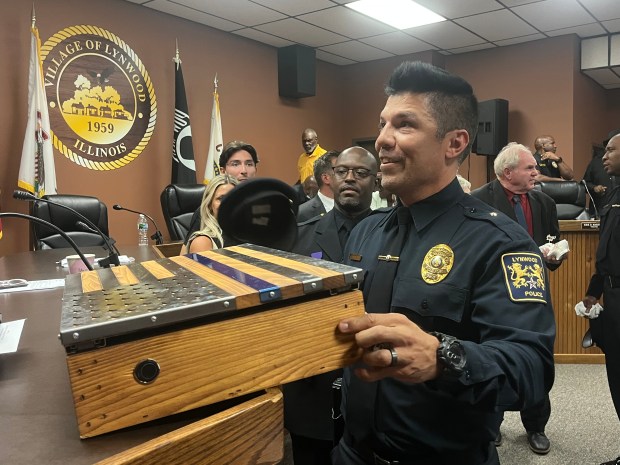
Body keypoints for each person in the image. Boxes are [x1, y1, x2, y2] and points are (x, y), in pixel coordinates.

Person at [332, 61, 555, 465]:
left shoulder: (501, 243)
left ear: (454, 144)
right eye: (382, 124)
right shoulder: (367, 231)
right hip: (352, 453)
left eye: (404, 125)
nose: (381, 139)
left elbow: (532, 370)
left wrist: (442, 358)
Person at [471, 142, 567, 454]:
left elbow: (551, 237)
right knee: (491, 353)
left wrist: (553, 255)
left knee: (535, 357)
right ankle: (491, 421)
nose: (536, 172)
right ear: (508, 172)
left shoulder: (543, 202)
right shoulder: (478, 201)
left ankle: (536, 425)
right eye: (529, 168)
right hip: (493, 293)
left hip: (533, 291)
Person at [284, 146, 378, 465]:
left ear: (376, 182)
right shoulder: (298, 238)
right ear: (330, 179)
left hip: (371, 378)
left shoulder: (392, 237)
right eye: (342, 172)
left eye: (361, 173)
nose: (350, 178)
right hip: (311, 381)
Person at [578, 132, 620, 465]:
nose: (604, 157)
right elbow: (605, 251)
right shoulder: (613, 195)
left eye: (611, 150)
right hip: (612, 294)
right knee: (616, 374)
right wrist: (594, 290)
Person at [184, 141, 259, 245]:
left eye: (249, 164)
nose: (244, 170)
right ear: (223, 171)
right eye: (235, 164)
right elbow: (185, 256)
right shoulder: (208, 211)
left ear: (256, 169)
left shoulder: (263, 205)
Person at [180, 174, 238, 254]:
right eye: (221, 198)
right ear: (210, 204)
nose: (227, 203)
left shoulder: (248, 234)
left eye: (233, 197)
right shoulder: (202, 242)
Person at [583, 130, 619, 217]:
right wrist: (594, 188)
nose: (605, 157)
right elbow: (584, 184)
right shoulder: (595, 163)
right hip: (600, 210)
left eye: (611, 149)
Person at [297, 150, 339, 222]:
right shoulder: (302, 213)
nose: (349, 177)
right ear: (326, 178)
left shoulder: (355, 208)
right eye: (342, 172)